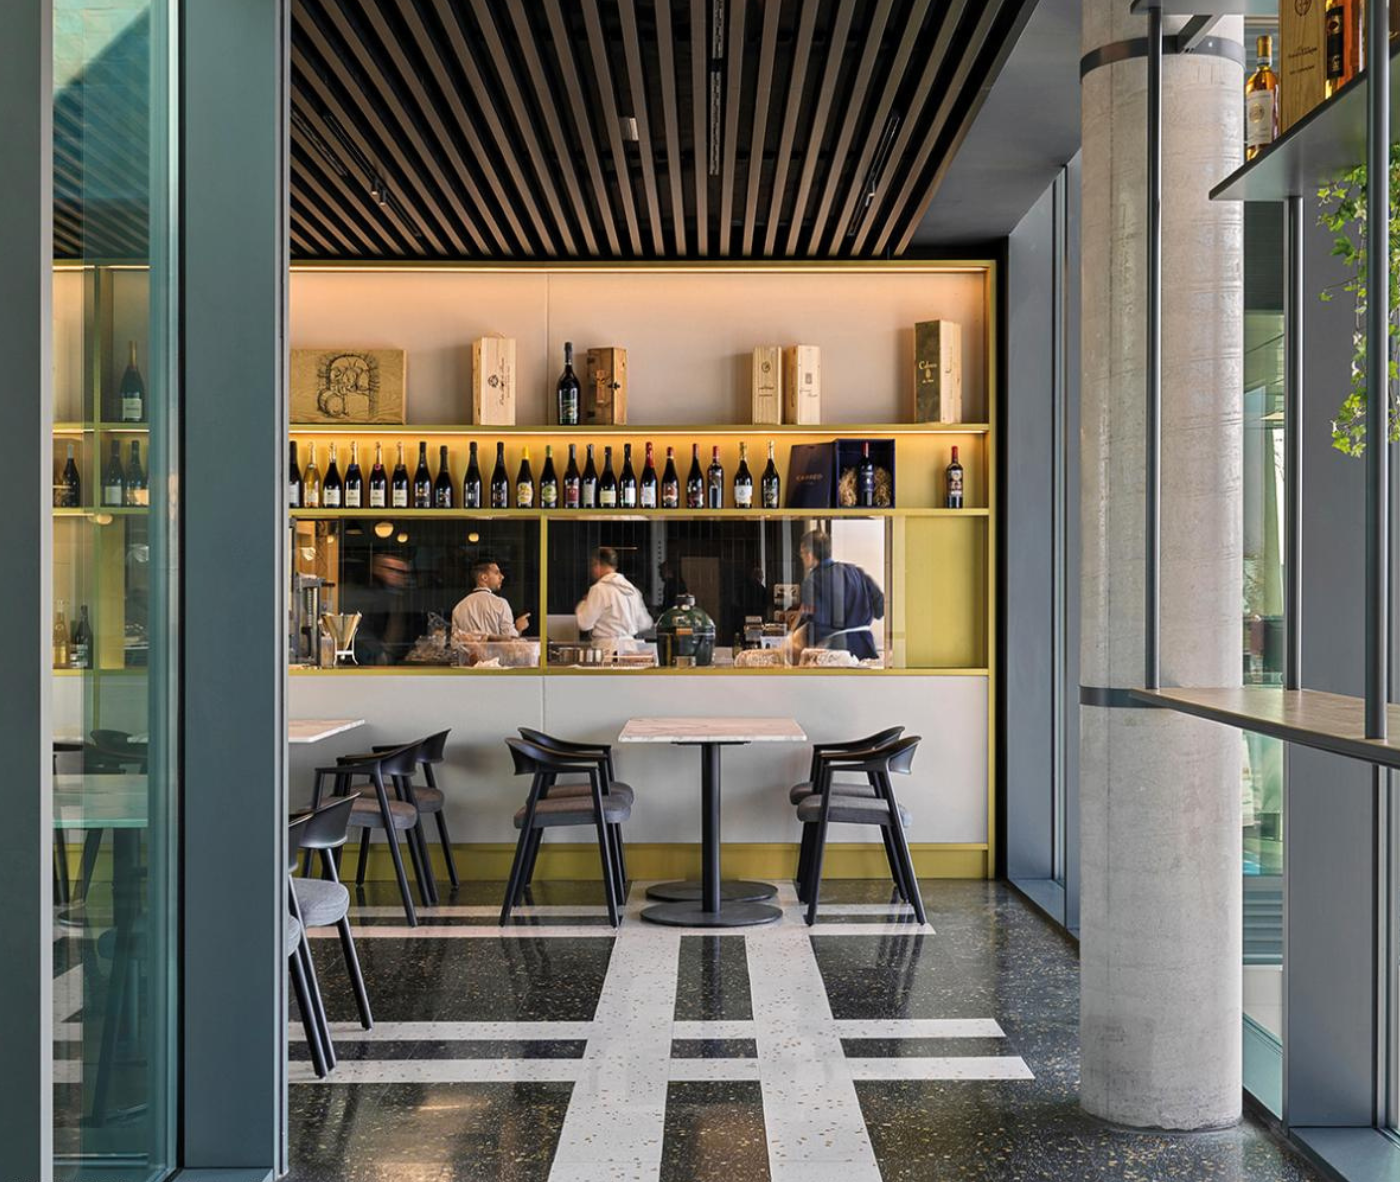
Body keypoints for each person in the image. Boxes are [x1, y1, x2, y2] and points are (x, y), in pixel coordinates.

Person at [792, 529, 884, 660]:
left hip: (833, 652)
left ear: (810, 554)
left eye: (802, 553)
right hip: (865, 647)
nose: (802, 557)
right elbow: (881, 608)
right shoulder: (857, 572)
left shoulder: (812, 580)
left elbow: (810, 623)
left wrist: (793, 638)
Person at [577, 546, 653, 649]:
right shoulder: (632, 590)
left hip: (609, 648)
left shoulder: (599, 589)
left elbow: (584, 623)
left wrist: (584, 604)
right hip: (631, 648)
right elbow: (645, 623)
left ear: (597, 564)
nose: (592, 570)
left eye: (592, 565)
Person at [452, 559, 529, 638]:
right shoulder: (500, 604)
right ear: (484, 577)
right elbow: (510, 641)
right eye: (497, 573)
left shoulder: (458, 608)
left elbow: (454, 642)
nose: (502, 577)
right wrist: (518, 628)